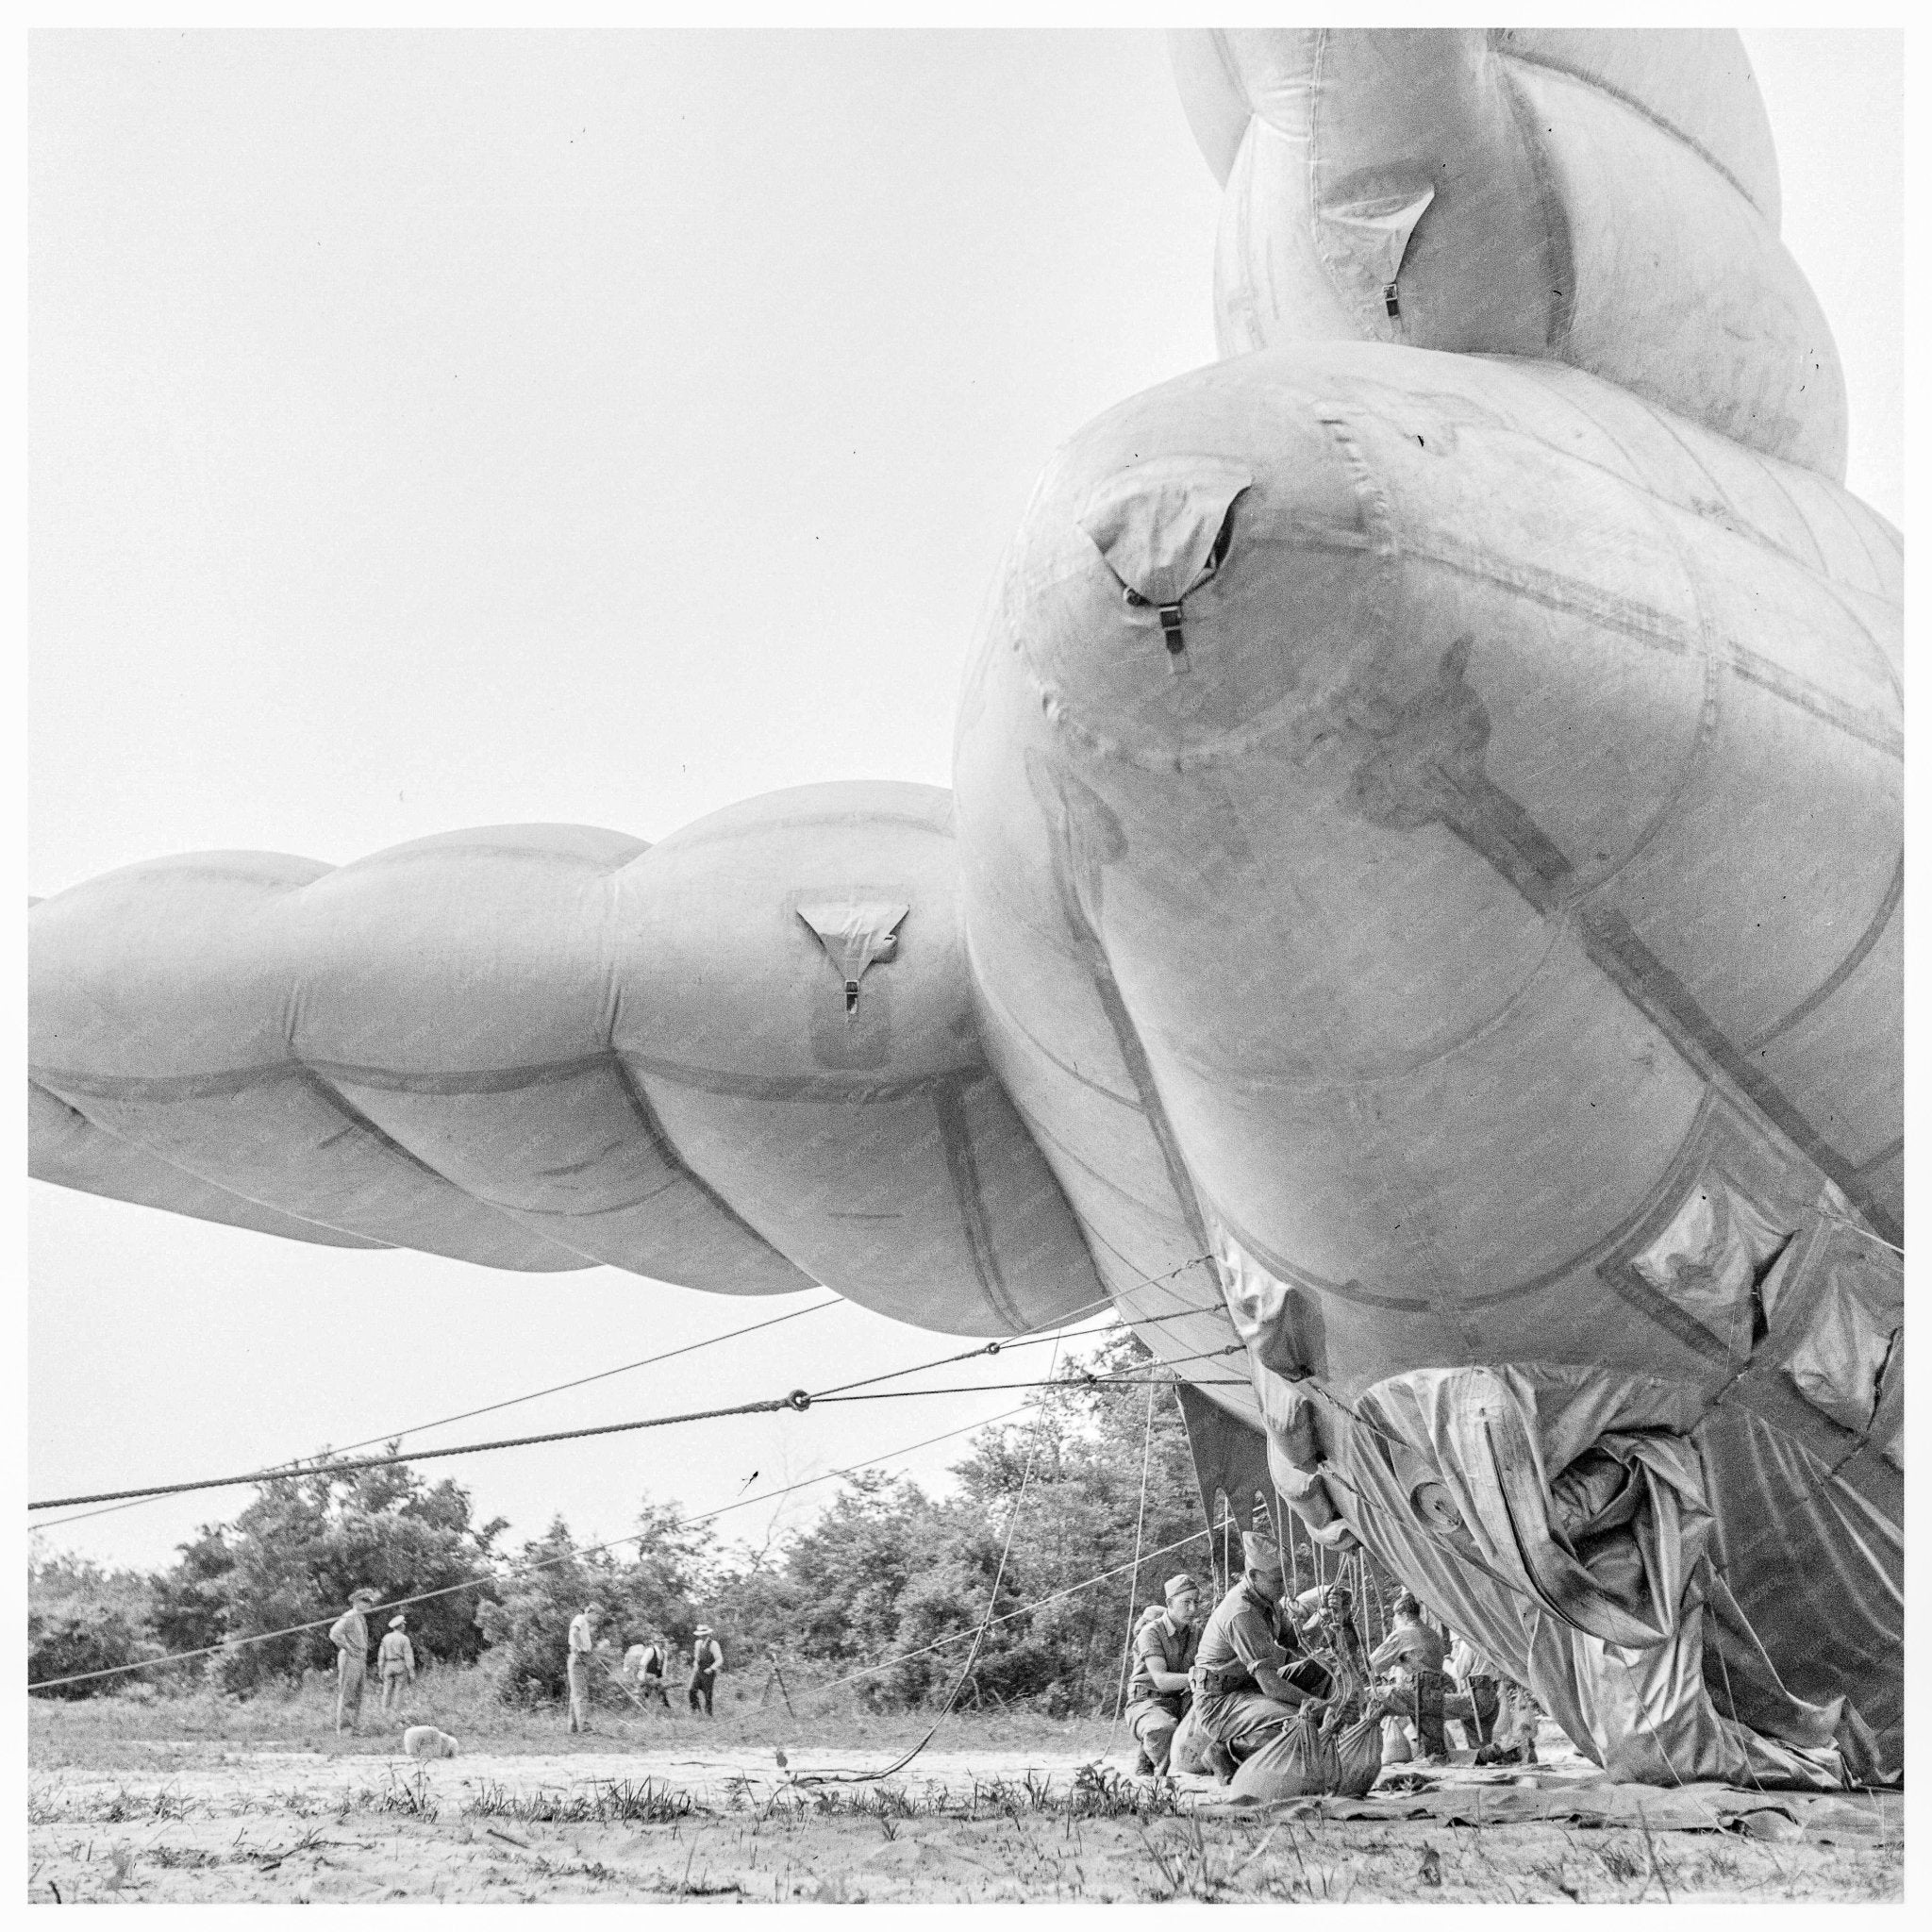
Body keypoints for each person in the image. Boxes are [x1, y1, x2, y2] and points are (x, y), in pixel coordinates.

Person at [1189, 1534, 1330, 1781]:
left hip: (1250, 1688)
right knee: (1299, 1722)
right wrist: (1316, 1705)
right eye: (1277, 1580)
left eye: (1286, 1579)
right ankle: (1227, 1750)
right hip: (1220, 1702)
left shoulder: (1268, 1599)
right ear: (1253, 1576)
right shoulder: (1241, 1612)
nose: (1284, 1586)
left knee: (1322, 1669)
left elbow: (1298, 1644)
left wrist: (1324, 1617)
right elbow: (1271, 1685)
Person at [1123, 1573, 1201, 1775]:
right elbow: (1161, 1680)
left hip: (1181, 1700)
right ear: (1170, 1603)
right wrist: (1196, 1676)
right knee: (1163, 1729)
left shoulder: (1196, 1633)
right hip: (1147, 1702)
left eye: (1196, 1602)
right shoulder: (1151, 1632)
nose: (1193, 1609)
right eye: (1186, 1602)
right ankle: (1159, 1767)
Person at [1369, 1591, 1449, 1761]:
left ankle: (1365, 1750)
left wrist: (1396, 1660)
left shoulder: (1403, 1633)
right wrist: (1403, 1661)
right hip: (1435, 1693)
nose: (1394, 1622)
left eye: (1395, 1618)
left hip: (1416, 1691)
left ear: (1404, 1615)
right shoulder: (1433, 1635)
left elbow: (1374, 1664)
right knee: (1434, 1750)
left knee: (1367, 1696)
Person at [327, 1587, 382, 1736]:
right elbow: (334, 1633)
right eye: (366, 1601)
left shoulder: (361, 1618)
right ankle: (345, 1730)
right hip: (350, 1658)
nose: (369, 1604)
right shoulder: (350, 1616)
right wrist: (347, 1647)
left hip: (360, 1659)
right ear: (357, 1601)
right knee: (347, 1694)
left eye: (370, 1601)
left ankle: (354, 1728)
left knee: (358, 1695)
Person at [1447, 1630, 1500, 1749]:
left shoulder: (1469, 1643)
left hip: (1476, 1692)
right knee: (1482, 1739)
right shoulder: (1490, 1640)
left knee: (1432, 1707)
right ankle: (1485, 1757)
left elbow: (1459, 1672)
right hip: (1491, 1690)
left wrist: (1447, 1664)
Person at [566, 1603, 601, 1735]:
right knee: (581, 1695)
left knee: (575, 1694)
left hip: (580, 1659)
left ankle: (573, 1728)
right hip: (578, 1658)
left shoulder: (585, 1623)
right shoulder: (580, 1619)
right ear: (591, 1612)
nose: (597, 1619)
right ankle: (585, 1728)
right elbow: (574, 1632)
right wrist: (580, 1648)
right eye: (597, 1615)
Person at [377, 1614, 417, 1713]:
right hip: (400, 1665)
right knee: (399, 1690)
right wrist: (411, 1670)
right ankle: (396, 1712)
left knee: (387, 1689)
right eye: (403, 1625)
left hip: (388, 1665)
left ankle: (384, 1711)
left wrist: (380, 1669)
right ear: (401, 1626)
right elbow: (408, 1656)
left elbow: (381, 1655)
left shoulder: (386, 1638)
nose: (404, 1626)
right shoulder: (404, 1639)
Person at [623, 1634, 672, 1709]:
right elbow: (643, 1663)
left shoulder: (664, 1653)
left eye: (663, 1642)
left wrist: (663, 1677)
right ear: (657, 1643)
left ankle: (663, 1706)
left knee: (659, 1690)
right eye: (661, 1642)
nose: (663, 1644)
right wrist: (642, 1677)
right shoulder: (650, 1650)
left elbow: (664, 1666)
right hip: (648, 1675)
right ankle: (662, 1706)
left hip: (657, 1676)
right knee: (649, 1691)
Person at [688, 1624, 725, 1716]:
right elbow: (696, 1657)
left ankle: (709, 1715)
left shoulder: (713, 1644)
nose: (702, 1636)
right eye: (701, 1634)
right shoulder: (698, 1643)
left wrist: (711, 1668)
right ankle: (696, 1710)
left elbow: (720, 1659)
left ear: (707, 1634)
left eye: (704, 1634)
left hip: (708, 1673)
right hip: (699, 1671)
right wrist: (695, 1663)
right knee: (691, 1690)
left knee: (707, 1694)